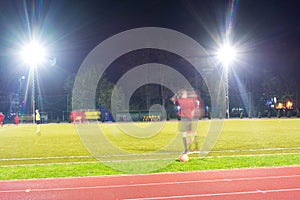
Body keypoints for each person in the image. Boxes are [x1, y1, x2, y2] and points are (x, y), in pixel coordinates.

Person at [171, 89, 201, 154]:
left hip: (184, 119)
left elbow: (173, 99)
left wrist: (176, 95)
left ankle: (186, 150)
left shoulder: (180, 101)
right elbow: (193, 110)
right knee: (194, 133)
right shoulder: (190, 101)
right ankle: (196, 148)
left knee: (184, 134)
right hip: (190, 118)